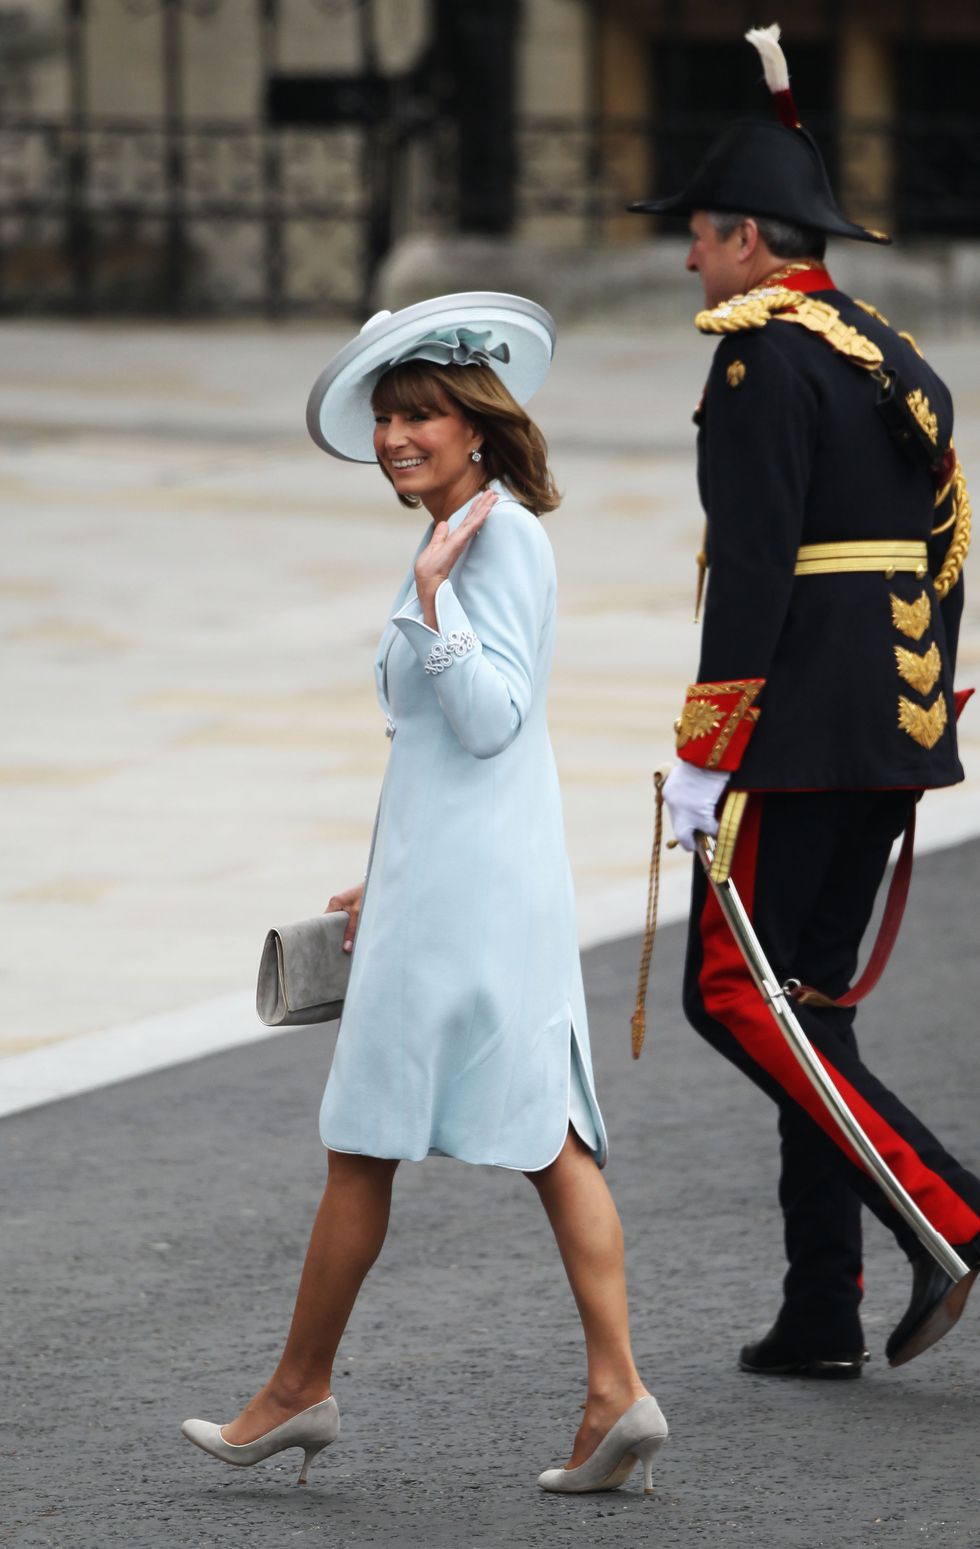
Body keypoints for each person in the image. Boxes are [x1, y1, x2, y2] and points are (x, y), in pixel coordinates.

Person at [180, 294, 667, 1492]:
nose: (397, 436)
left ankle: (298, 1390)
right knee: (549, 1136)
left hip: (466, 893)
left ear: (477, 427)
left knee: (365, 1141)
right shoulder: (467, 529)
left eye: (421, 416)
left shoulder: (488, 541)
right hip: (466, 872)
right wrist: (385, 860)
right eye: (389, 416)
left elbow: (492, 719)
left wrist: (439, 593)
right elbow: (440, 751)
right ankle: (616, 1396)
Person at [629, 26, 979, 1377]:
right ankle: (821, 1304)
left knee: (735, 993)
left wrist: (710, 748)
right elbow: (949, 535)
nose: (689, 259)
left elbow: (756, 565)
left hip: (801, 730)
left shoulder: (757, 355)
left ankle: (948, 1213)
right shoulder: (881, 344)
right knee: (808, 1003)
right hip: (892, 719)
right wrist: (926, 700)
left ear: (755, 242)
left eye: (704, 237)